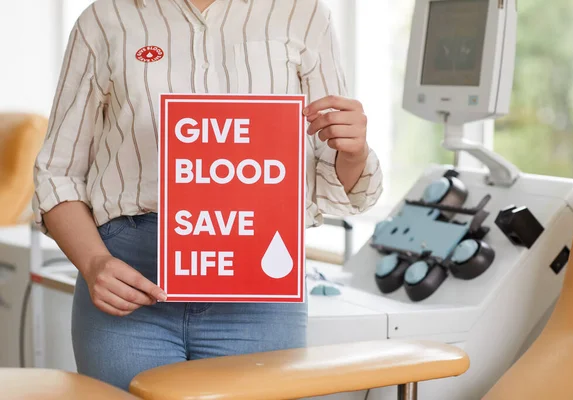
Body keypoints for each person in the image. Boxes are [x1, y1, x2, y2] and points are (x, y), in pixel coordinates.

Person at [33, 0, 383, 391]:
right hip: (130, 283)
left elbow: (332, 170)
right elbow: (57, 172)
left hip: (259, 290)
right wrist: (94, 261)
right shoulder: (105, 19)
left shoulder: (302, 14)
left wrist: (354, 153)